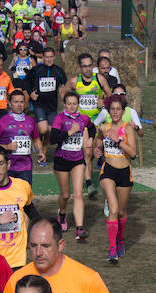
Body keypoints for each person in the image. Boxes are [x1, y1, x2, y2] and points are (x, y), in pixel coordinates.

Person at [94, 94, 137, 263]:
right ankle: (112, 249)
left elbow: (132, 153)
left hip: (125, 172)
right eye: (112, 109)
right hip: (108, 171)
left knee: (121, 212)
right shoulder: (104, 127)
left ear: (123, 111)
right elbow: (98, 139)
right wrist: (98, 150)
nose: (115, 112)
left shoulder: (127, 129)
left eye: (118, 109)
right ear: (108, 110)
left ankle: (120, 240)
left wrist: (117, 140)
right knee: (112, 209)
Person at [50, 91, 95, 240]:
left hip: (77, 159)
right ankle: (62, 214)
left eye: (74, 103)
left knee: (78, 194)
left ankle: (80, 228)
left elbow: (92, 127)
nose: (71, 106)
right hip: (61, 159)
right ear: (64, 104)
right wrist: (70, 132)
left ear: (78, 104)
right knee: (65, 195)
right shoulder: (59, 118)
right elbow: (53, 139)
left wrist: (91, 139)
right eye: (69, 103)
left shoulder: (83, 118)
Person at [66, 53, 111, 200]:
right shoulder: (74, 81)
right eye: (84, 66)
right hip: (82, 122)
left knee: (91, 153)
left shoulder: (100, 79)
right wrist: (71, 108)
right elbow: (64, 95)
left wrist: (104, 101)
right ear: (80, 67)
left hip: (97, 121)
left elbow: (111, 98)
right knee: (87, 152)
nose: (87, 69)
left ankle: (86, 173)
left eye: (90, 66)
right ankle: (89, 183)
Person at [0, 91, 44, 184]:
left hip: (26, 167)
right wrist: (7, 147)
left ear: (25, 104)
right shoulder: (2, 122)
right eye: (16, 102)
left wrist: (41, 152)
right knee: (7, 197)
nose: (19, 105)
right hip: (7, 167)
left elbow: (36, 139)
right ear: (10, 103)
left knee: (24, 197)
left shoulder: (30, 121)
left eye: (21, 102)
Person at [28, 46, 68, 162]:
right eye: (47, 57)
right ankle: (37, 141)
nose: (49, 59)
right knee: (43, 130)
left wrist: (64, 97)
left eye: (51, 57)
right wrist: (31, 93)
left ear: (54, 57)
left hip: (52, 107)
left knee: (50, 132)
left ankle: (42, 154)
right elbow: (26, 81)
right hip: (39, 105)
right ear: (43, 58)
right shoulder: (37, 70)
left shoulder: (59, 71)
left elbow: (65, 85)